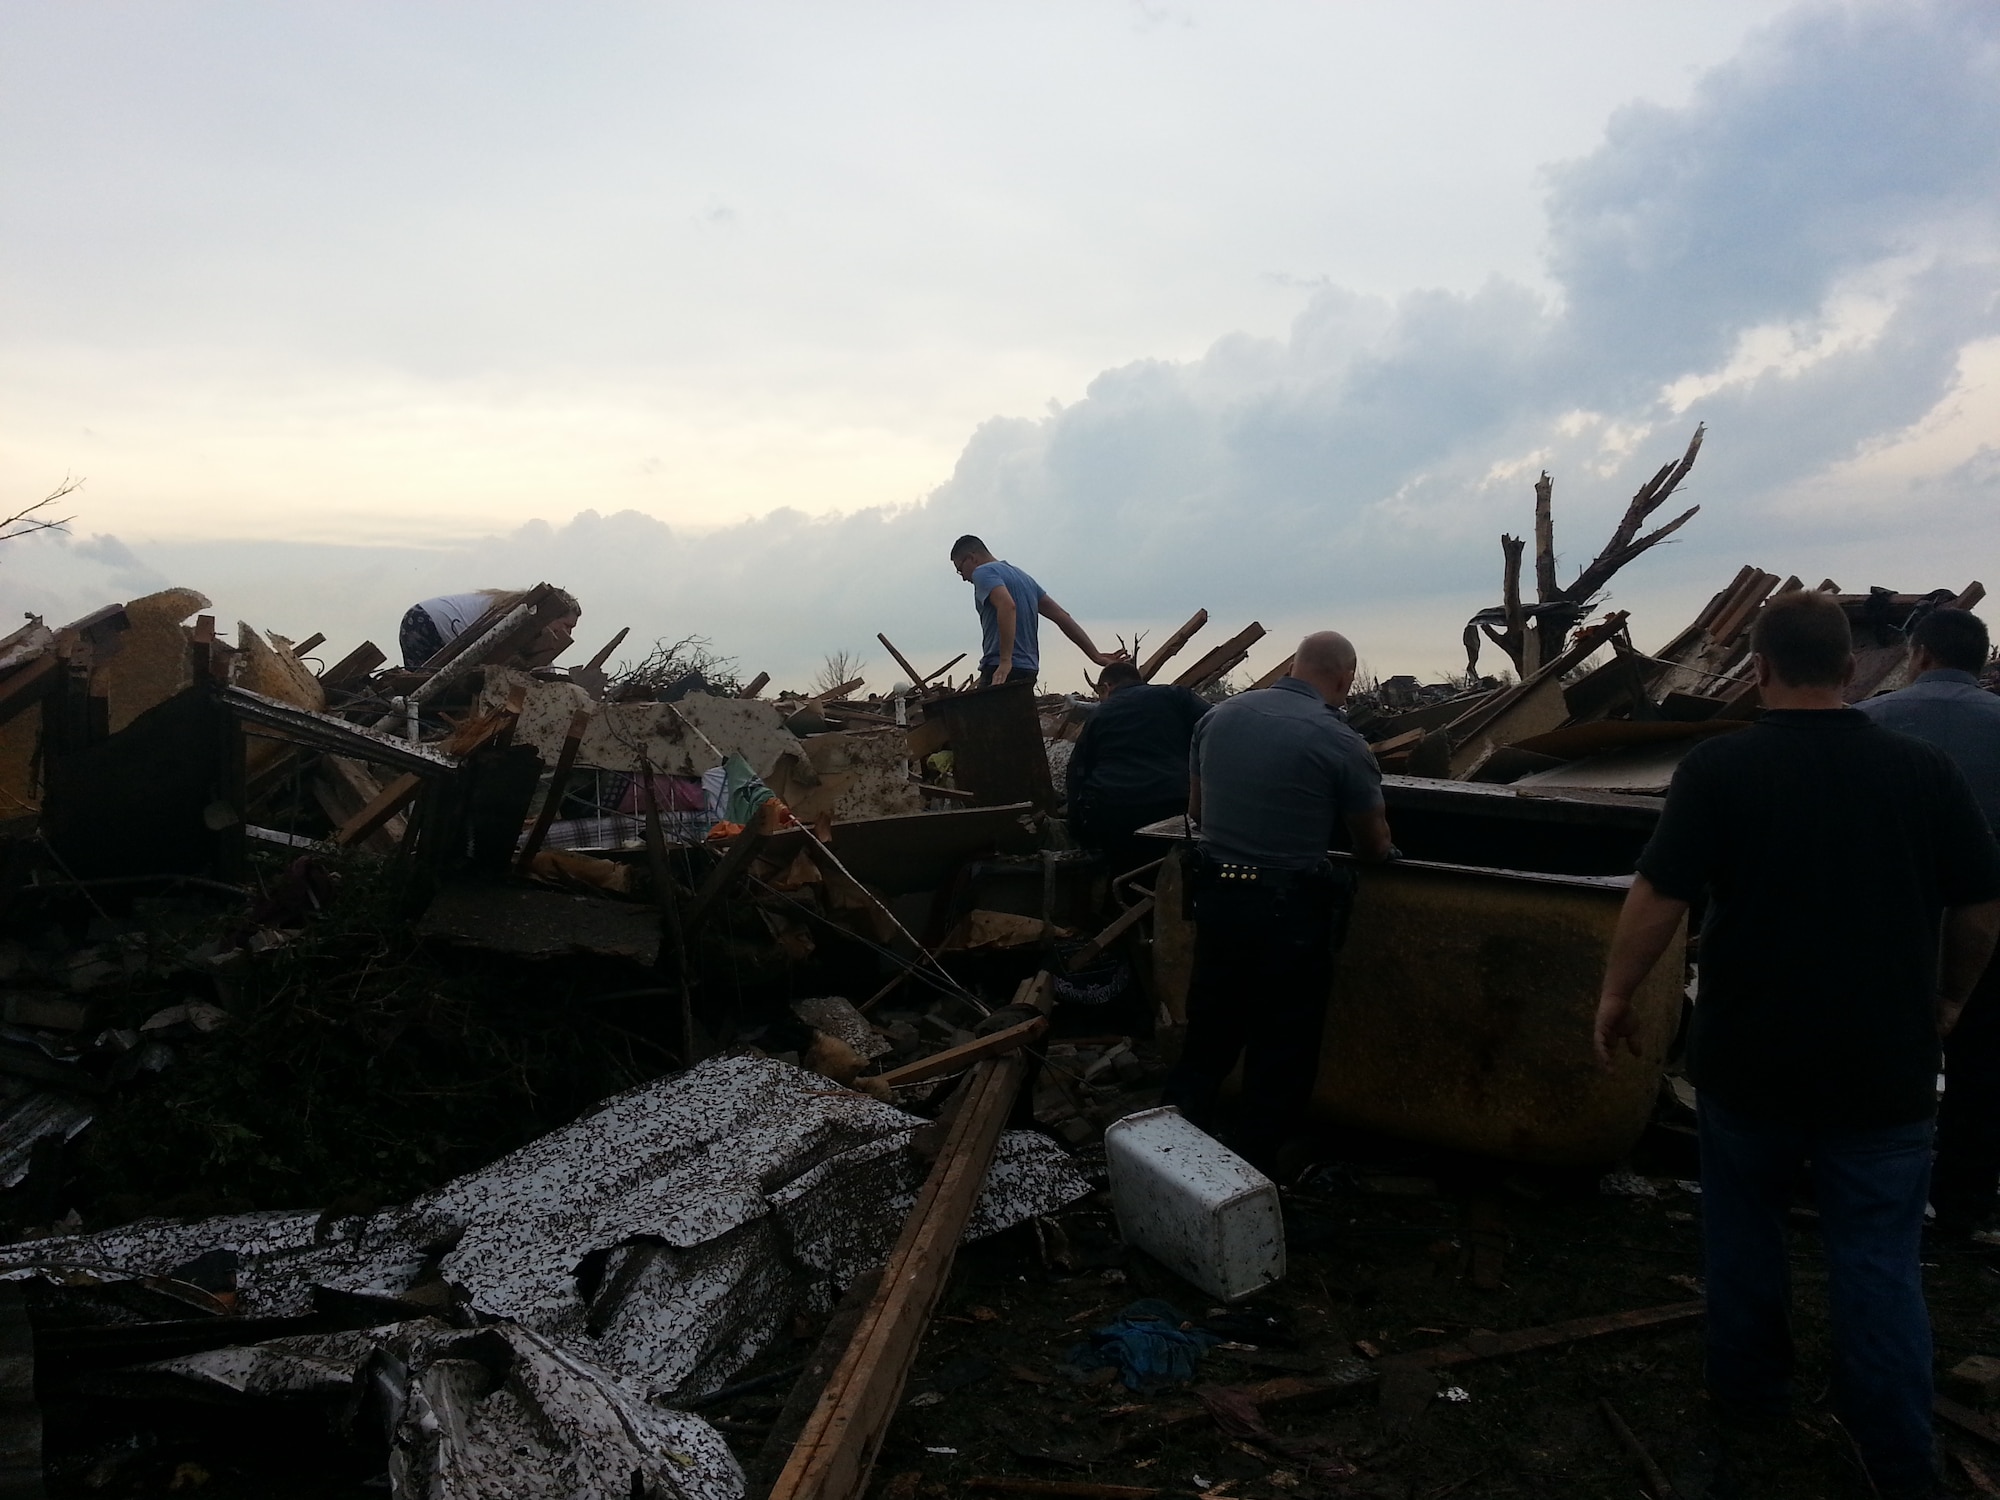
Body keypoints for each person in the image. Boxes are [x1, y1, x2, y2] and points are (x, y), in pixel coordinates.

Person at [1592, 590, 2000, 1499]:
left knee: (1744, 1231)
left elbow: (1659, 894)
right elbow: (1979, 904)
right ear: (1853, 669)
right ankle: (1896, 1450)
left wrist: (1618, 995)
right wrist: (1952, 999)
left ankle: (1749, 1393)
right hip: (1885, 1066)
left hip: (1750, 1058)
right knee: (1880, 1259)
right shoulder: (1923, 770)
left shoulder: (1719, 770)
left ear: (1761, 669)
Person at [1162, 631, 1394, 1173]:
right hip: (1288, 913)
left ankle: (1166, 1149)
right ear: (1344, 679)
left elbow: (1196, 809)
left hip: (1217, 899)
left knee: (1210, 1029)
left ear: (1294, 665)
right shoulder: (1342, 743)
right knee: (1283, 1041)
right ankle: (1255, 1167)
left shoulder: (1216, 719)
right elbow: (1375, 846)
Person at [1856, 607, 2000, 1237]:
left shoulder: (1865, 724)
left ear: (1921, 655)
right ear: (1979, 660)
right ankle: (1963, 1205)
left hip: (1885, 927)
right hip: (1992, 926)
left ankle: (1865, 1188)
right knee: (1984, 1064)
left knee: (1870, 1055)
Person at [1068, 660, 1209, 875]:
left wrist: (1077, 827)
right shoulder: (1176, 696)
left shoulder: (1100, 713)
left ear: (1105, 688)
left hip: (1114, 812)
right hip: (1175, 808)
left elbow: (1077, 771)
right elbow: (1217, 726)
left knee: (1121, 873)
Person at [947, 536, 1120, 689]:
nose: (962, 577)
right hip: (1028, 669)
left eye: (960, 569)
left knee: (980, 724)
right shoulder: (1023, 577)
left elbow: (1007, 605)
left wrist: (1005, 660)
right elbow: (1061, 616)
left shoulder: (982, 572)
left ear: (972, 558)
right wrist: (1095, 656)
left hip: (1001, 669)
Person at [398, 588, 580, 672]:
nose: (568, 633)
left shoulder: (521, 610)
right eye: (567, 625)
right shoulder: (520, 616)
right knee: (425, 689)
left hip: (419, 618)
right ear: (552, 614)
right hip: (429, 625)